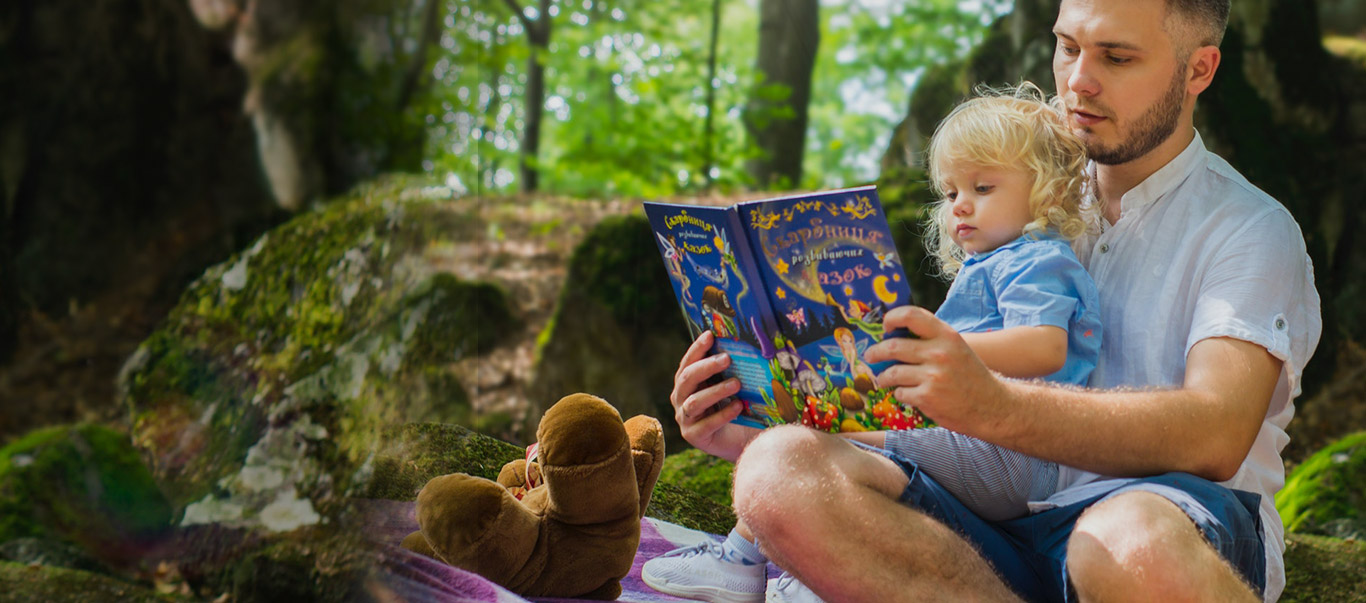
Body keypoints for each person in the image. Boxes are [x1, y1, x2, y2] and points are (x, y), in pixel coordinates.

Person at [668, 0, 1321, 601]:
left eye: (1116, 57)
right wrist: (750, 416)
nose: (1079, 80)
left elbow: (1216, 433)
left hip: (1162, 519)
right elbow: (927, 428)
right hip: (990, 529)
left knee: (1127, 536)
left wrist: (990, 401)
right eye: (1068, 48)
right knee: (777, 469)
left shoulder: (1250, 229)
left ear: (1198, 70)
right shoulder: (1014, 199)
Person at [643, 86, 1107, 603]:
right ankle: (792, 562)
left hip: (1008, 455)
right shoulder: (995, 263)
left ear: (1050, 191)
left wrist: (937, 348)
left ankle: (743, 561)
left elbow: (1046, 347)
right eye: (951, 193)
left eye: (983, 186)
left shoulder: (1037, 259)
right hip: (981, 446)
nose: (961, 206)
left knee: (825, 434)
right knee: (818, 432)